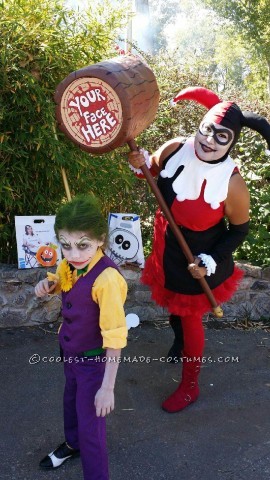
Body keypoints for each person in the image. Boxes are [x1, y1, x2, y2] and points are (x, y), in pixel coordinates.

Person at [128, 86, 270, 413]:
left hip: (201, 256)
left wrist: (210, 261)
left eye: (221, 136)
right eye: (207, 129)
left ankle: (190, 384)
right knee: (171, 302)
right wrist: (140, 164)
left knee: (191, 317)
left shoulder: (233, 183)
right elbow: (152, 173)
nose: (208, 140)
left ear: (232, 142)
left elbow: (240, 231)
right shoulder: (177, 146)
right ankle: (178, 341)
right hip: (168, 244)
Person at [35, 194, 128, 480]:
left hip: (93, 362)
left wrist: (108, 388)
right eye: (65, 245)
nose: (73, 254)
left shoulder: (108, 279)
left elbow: (114, 337)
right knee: (70, 402)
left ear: (101, 239)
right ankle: (72, 444)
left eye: (83, 245)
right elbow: (62, 277)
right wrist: (49, 284)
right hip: (70, 354)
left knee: (92, 427)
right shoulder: (70, 264)